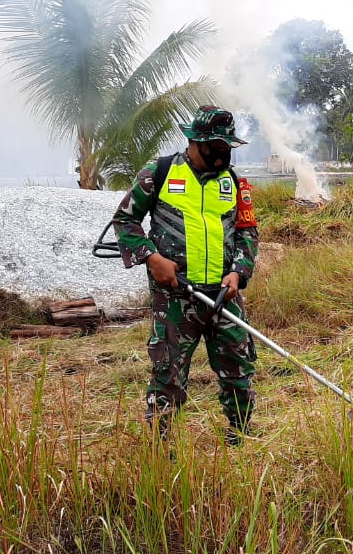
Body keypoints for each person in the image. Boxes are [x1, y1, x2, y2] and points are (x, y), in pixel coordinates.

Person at [109, 105, 261, 447]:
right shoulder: (160, 173)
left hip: (223, 297)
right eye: (215, 148)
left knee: (239, 369)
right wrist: (152, 258)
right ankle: (160, 452)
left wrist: (238, 273)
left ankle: (239, 437)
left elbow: (248, 233)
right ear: (193, 141)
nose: (222, 156)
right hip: (176, 298)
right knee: (168, 376)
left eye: (226, 149)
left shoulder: (235, 182)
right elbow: (125, 220)